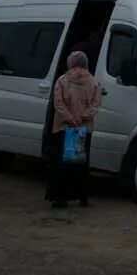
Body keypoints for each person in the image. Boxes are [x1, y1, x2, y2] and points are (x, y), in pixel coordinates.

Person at [46, 50, 102, 209]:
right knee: (80, 163)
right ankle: (82, 196)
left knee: (61, 164)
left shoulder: (62, 81)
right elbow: (96, 104)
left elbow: (58, 103)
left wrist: (70, 118)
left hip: (64, 127)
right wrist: (83, 117)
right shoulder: (94, 82)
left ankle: (60, 197)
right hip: (83, 129)